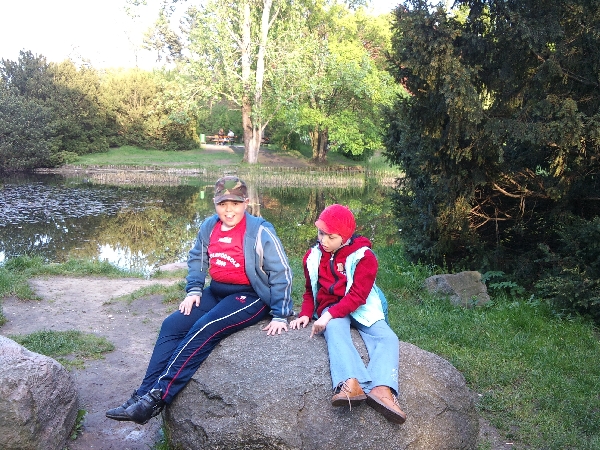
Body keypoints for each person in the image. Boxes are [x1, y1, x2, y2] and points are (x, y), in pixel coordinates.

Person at [106, 176, 293, 425]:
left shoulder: (260, 230)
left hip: (250, 296)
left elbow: (281, 271)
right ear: (215, 203)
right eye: (223, 204)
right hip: (215, 291)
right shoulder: (209, 226)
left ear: (246, 203)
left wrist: (281, 313)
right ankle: (140, 395)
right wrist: (194, 290)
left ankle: (156, 398)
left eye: (235, 203)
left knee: (205, 326)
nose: (229, 210)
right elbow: (198, 258)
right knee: (172, 324)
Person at [289, 204, 406, 424]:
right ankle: (351, 382)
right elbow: (309, 290)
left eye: (330, 236)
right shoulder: (313, 256)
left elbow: (358, 295)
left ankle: (381, 388)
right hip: (330, 304)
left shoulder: (364, 256)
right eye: (320, 233)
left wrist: (327, 315)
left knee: (388, 338)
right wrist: (306, 313)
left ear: (344, 237)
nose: (323, 240)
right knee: (334, 328)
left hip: (361, 306)